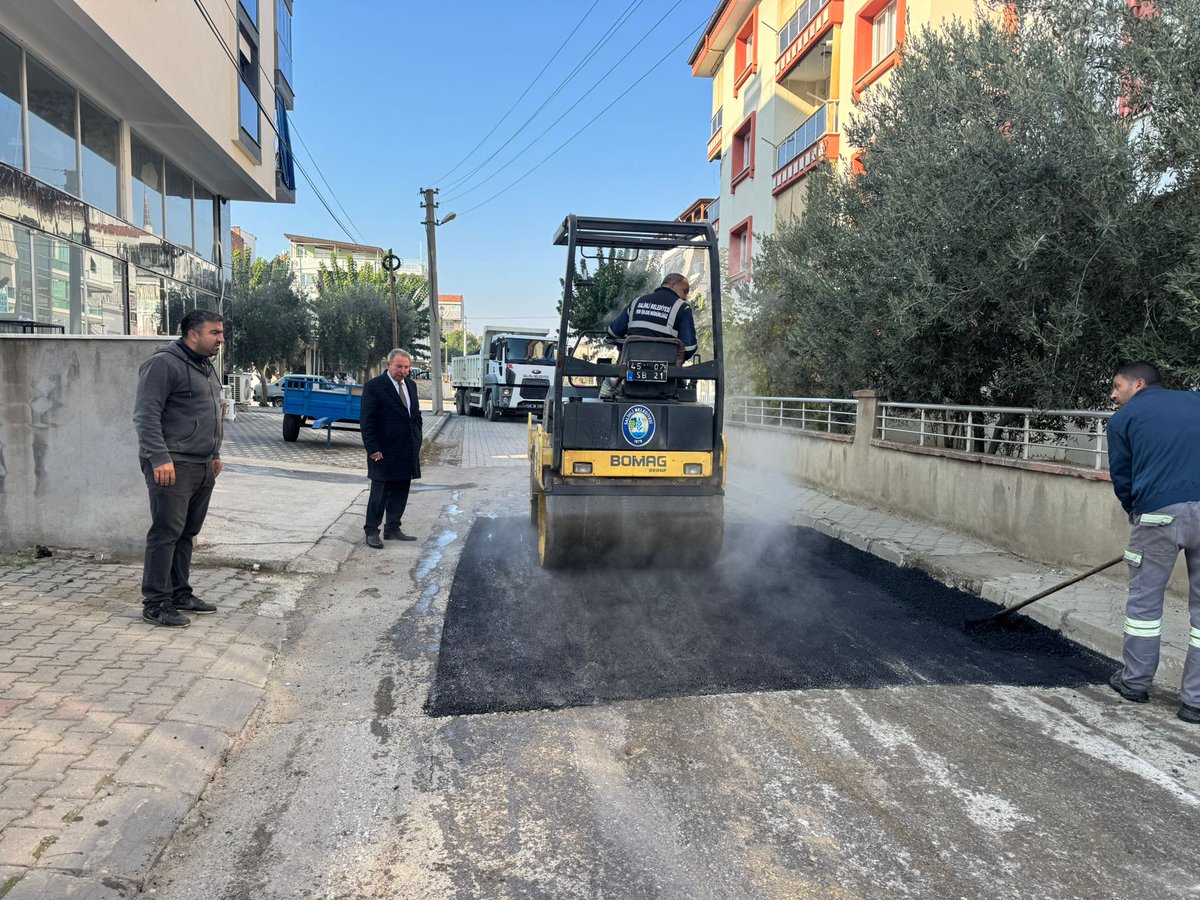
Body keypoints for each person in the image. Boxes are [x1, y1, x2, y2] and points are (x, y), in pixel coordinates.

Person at [1106, 361, 1200, 722]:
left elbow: (1123, 478)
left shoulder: (1123, 421)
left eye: (1117, 386)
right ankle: (1195, 702)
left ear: (1139, 384)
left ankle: (1135, 682)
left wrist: (1136, 512)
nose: (1113, 395)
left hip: (1159, 515)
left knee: (1145, 605)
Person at [133, 309, 225, 627]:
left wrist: (214, 453)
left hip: (201, 463)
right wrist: (159, 457)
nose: (220, 339)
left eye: (221, 333)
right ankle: (156, 603)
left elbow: (211, 412)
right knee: (166, 532)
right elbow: (146, 414)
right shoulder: (163, 363)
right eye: (214, 333)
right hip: (173, 463)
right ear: (192, 334)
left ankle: (180, 594)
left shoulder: (206, 367)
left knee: (187, 533)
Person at [360, 349, 423, 548]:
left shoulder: (411, 385)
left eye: (406, 367)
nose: (403, 371)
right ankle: (372, 531)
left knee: (401, 490)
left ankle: (393, 528)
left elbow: (415, 415)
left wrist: (418, 439)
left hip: (406, 449)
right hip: (383, 451)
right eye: (399, 366)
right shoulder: (374, 387)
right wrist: (372, 448)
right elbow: (366, 421)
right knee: (380, 493)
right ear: (388, 365)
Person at [601, 273, 698, 399]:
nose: (686, 297)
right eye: (685, 291)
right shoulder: (682, 308)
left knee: (610, 382)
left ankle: (606, 392)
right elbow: (689, 348)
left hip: (629, 375)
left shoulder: (636, 302)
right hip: (667, 379)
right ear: (672, 285)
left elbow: (612, 332)